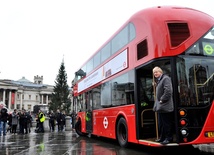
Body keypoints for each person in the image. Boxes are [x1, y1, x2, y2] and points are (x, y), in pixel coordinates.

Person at [152, 66, 174, 145]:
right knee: (161, 124)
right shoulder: (159, 80)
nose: (155, 74)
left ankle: (169, 138)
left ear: (160, 72)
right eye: (154, 73)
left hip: (165, 105)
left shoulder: (165, 78)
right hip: (161, 107)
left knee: (166, 123)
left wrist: (162, 99)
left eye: (156, 72)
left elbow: (168, 90)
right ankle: (162, 138)